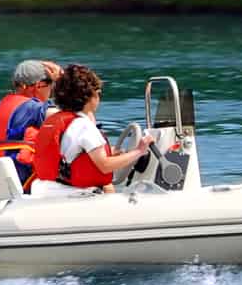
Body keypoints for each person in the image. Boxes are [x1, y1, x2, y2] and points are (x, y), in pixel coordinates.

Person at [27, 63, 153, 196]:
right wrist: (139, 151)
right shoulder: (84, 126)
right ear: (89, 96)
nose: (99, 97)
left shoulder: (59, 120)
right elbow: (105, 166)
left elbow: (73, 154)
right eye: (97, 93)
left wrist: (114, 152)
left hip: (46, 189)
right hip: (70, 194)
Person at [0, 58, 61, 186]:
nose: (51, 91)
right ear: (38, 85)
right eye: (51, 85)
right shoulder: (31, 108)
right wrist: (62, 84)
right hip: (23, 184)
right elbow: (70, 119)